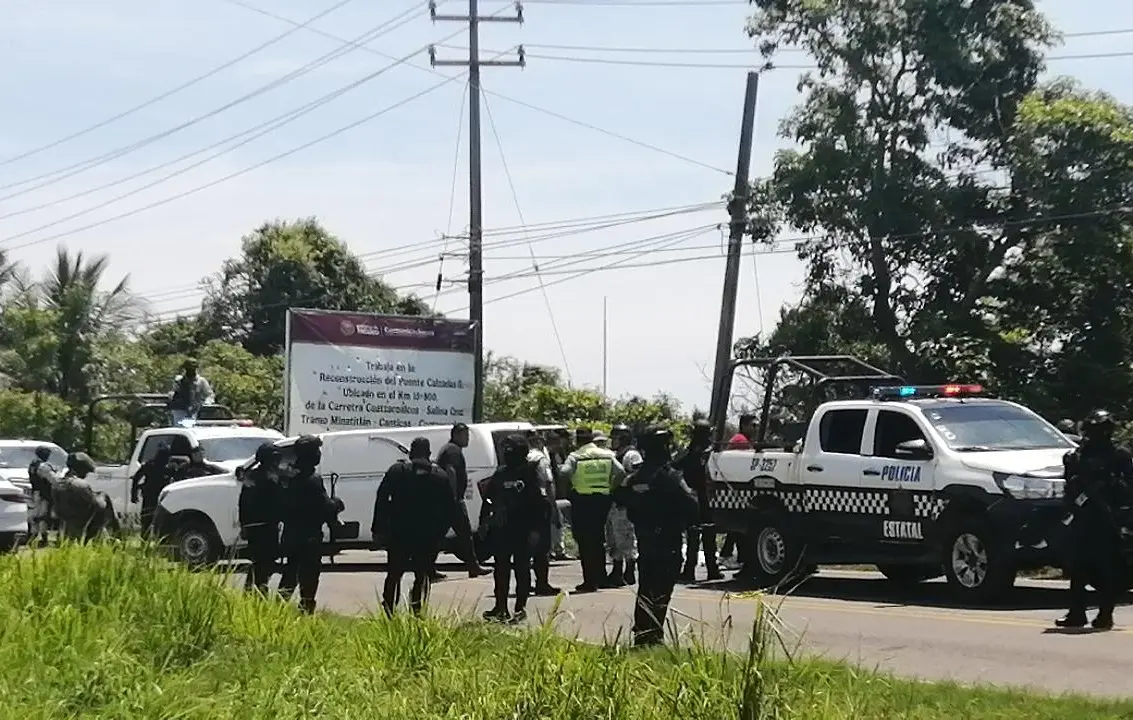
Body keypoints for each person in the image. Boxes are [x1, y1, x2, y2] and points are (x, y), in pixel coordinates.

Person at [612, 426, 699, 647]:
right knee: (661, 590)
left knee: (646, 586)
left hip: (646, 539)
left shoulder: (635, 478)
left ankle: (642, 632)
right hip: (668, 540)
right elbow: (691, 505)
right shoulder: (669, 477)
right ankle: (653, 634)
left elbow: (621, 496)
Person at [1056, 409, 1133, 630]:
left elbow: (1128, 487)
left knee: (1109, 569)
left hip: (1110, 521)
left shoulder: (1120, 455)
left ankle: (1105, 615)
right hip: (1084, 519)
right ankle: (1077, 613)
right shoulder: (1078, 455)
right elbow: (1070, 485)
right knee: (1077, 567)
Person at [373, 438, 463, 616]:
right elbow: (450, 508)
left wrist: (378, 528)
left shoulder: (397, 471)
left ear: (411, 452)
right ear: (429, 454)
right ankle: (417, 609)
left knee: (394, 574)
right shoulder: (439, 476)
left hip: (399, 532)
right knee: (422, 575)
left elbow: (381, 500)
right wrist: (441, 533)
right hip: (427, 535)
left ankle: (389, 609)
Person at [479, 434, 549, 622]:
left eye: (511, 449)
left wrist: (537, 530)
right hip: (502, 529)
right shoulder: (501, 473)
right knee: (501, 570)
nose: (507, 452)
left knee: (522, 569)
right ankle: (500, 607)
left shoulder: (531, 472)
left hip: (524, 528)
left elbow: (541, 503)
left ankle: (520, 608)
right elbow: (488, 498)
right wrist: (484, 521)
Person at [277, 435, 344, 614]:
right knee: (309, 579)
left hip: (291, 535)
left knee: (290, 575)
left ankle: (276, 610)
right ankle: (305, 612)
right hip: (308, 537)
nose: (319, 454)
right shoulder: (311, 479)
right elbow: (323, 507)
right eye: (316, 450)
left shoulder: (289, 476)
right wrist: (336, 503)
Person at [560, 427, 625, 593]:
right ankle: (601, 577)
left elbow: (564, 472)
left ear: (577, 440)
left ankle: (590, 580)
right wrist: (610, 487)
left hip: (582, 500)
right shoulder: (606, 454)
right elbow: (621, 472)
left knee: (584, 540)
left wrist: (569, 489)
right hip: (602, 500)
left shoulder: (576, 456)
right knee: (598, 539)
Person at [435, 423, 489, 580]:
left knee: (440, 536)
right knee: (464, 534)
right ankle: (473, 567)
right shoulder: (453, 451)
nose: (467, 439)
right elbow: (450, 471)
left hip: (448, 501)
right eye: (465, 435)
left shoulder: (449, 449)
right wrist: (453, 497)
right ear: (456, 435)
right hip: (452, 501)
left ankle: (429, 568)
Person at [676, 420, 723, 583]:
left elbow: (676, 465)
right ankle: (712, 569)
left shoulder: (691, 452)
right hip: (708, 498)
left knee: (693, 535)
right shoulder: (710, 453)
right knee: (708, 535)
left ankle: (689, 571)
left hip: (693, 498)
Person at [239, 442, 283, 595]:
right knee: (266, 561)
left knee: (260, 561)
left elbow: (242, 503)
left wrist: (243, 525)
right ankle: (258, 589)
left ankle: (252, 588)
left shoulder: (251, 476)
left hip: (254, 526)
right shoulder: (272, 478)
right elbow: (279, 501)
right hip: (266, 526)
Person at [54, 453, 120, 541]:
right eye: (86, 471)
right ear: (81, 469)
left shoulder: (57, 484)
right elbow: (95, 505)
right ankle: (116, 534)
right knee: (103, 497)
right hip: (82, 523)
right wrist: (103, 497)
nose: (86, 474)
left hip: (65, 521)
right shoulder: (80, 484)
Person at [526, 430, 561, 596]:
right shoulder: (541, 459)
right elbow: (548, 485)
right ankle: (542, 583)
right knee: (542, 547)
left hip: (526, 505)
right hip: (541, 505)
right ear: (540, 442)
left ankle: (525, 583)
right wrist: (554, 509)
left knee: (526, 546)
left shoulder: (523, 457)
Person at [605, 423, 641, 587]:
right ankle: (617, 570)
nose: (613, 441)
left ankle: (629, 570)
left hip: (624, 504)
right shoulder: (615, 454)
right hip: (614, 502)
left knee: (626, 537)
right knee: (613, 538)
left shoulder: (631, 455)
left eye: (616, 438)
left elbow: (636, 476)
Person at [131, 446, 173, 536]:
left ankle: (147, 542)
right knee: (148, 522)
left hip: (157, 498)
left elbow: (135, 479)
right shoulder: (152, 466)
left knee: (152, 523)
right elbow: (136, 478)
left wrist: (134, 495)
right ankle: (146, 542)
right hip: (153, 498)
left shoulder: (164, 468)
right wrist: (133, 495)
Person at [545, 430, 572, 561]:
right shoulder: (545, 456)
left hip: (558, 495)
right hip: (550, 495)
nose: (560, 446)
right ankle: (549, 550)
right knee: (551, 523)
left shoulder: (558, 455)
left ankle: (559, 550)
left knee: (558, 523)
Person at [167, 358, 215, 425]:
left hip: (194, 411)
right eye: (188, 369)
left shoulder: (201, 381)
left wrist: (207, 403)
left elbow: (210, 394)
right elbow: (172, 393)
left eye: (192, 369)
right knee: (181, 429)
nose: (190, 371)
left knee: (191, 428)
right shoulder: (179, 380)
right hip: (179, 410)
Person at [27, 446, 59, 543]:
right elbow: (54, 480)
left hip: (35, 492)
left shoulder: (33, 464)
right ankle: (44, 538)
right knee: (43, 515)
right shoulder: (44, 466)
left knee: (34, 515)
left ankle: (32, 535)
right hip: (43, 494)